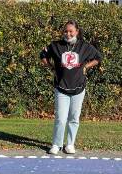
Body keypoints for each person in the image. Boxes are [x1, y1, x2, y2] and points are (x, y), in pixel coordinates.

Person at [40, 20, 102, 155]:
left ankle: (70, 144)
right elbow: (43, 55)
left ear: (76, 32)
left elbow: (98, 57)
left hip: (79, 88)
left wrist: (86, 66)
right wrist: (50, 67)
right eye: (65, 31)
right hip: (61, 88)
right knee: (61, 119)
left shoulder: (84, 47)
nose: (68, 34)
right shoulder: (55, 45)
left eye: (71, 31)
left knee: (74, 118)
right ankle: (56, 144)